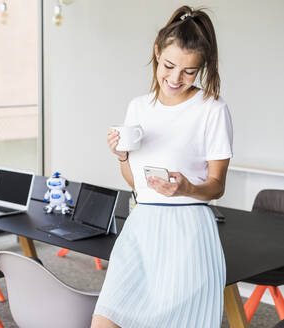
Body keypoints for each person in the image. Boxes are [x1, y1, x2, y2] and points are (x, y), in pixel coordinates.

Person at [92, 5, 233, 328]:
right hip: (141, 227)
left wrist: (187, 188)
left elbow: (217, 185)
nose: (175, 78)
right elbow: (135, 183)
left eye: (189, 71)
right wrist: (122, 156)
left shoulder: (212, 109)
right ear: (157, 53)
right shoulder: (139, 107)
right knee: (105, 320)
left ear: (202, 68)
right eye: (169, 66)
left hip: (189, 234)